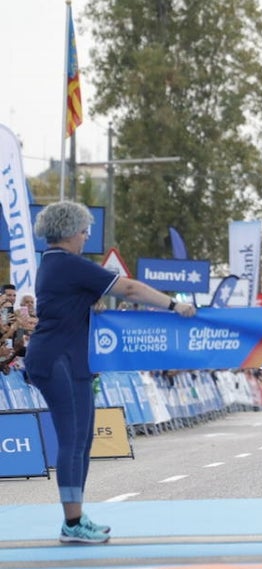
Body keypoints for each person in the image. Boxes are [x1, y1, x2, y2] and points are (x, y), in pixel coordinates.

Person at [23, 201, 197, 544]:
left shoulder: (55, 264)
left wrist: (88, 301)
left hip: (69, 359)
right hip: (57, 359)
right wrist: (175, 306)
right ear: (72, 231)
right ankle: (72, 523)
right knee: (72, 440)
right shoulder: (68, 264)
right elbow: (130, 289)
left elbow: (71, 302)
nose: (87, 236)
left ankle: (76, 517)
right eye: (85, 231)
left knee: (83, 439)